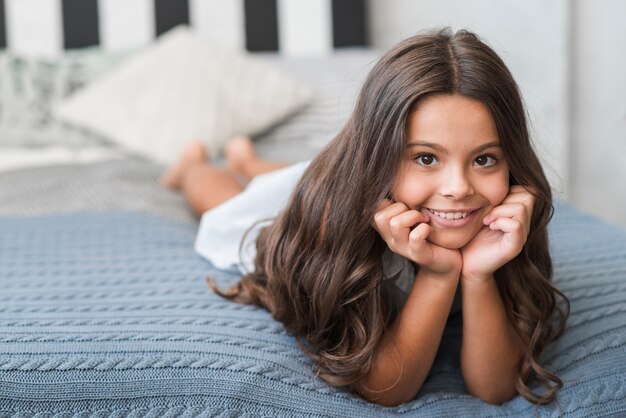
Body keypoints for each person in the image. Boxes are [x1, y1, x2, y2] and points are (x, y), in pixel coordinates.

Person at [162, 28, 569, 407]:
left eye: (484, 159)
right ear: (379, 158)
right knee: (225, 201)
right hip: (309, 205)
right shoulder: (328, 222)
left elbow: (495, 388)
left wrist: (477, 274)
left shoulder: (506, 217)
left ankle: (248, 158)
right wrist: (440, 274)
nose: (459, 187)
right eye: (426, 157)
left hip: (337, 178)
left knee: (295, 172)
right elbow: (386, 388)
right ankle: (192, 165)